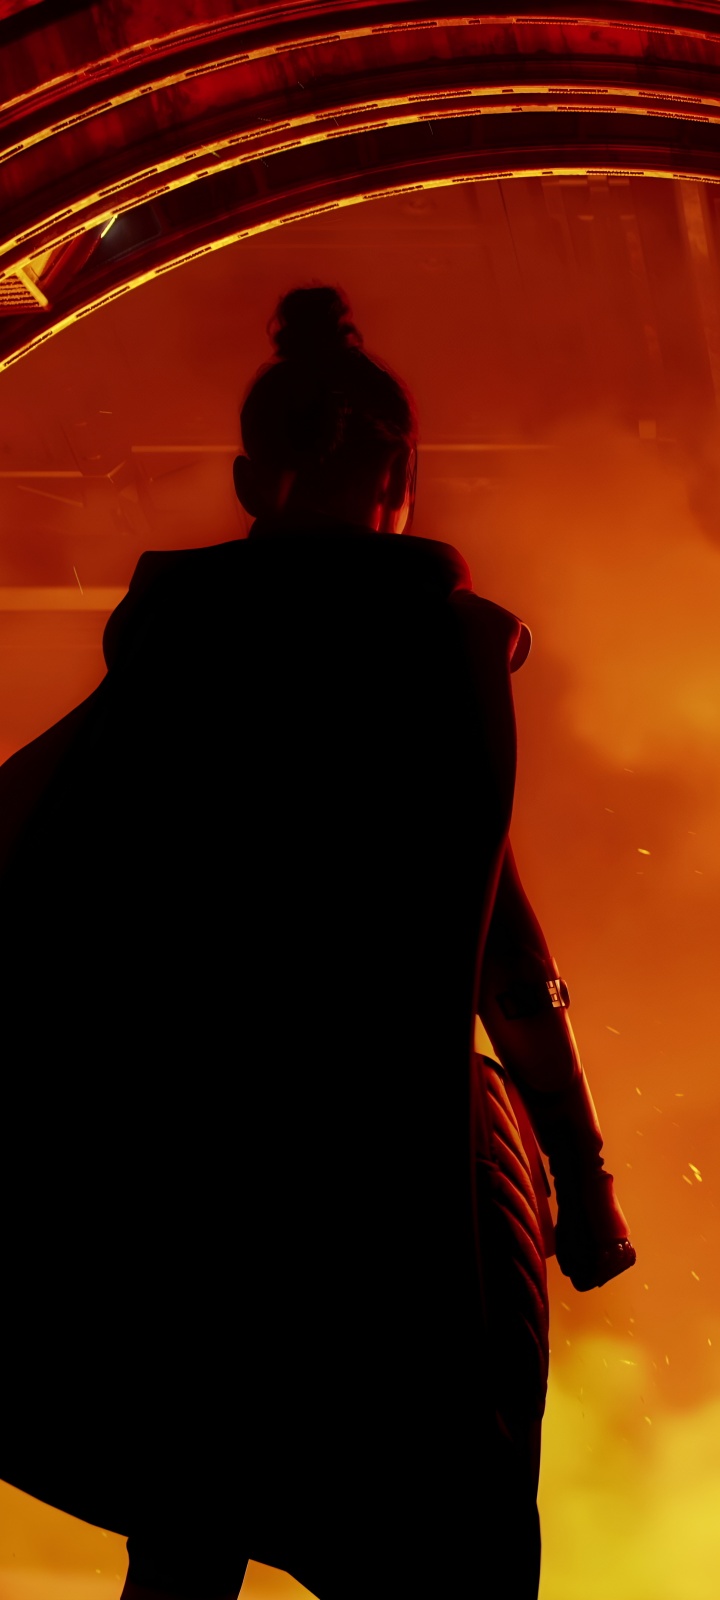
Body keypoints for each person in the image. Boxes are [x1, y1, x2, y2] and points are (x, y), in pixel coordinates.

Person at [0, 284, 635, 1600]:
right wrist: (582, 1179)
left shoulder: (174, 656)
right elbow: (505, 957)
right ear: (402, 481)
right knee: (445, 1530)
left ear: (251, 480)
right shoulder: (436, 653)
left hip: (184, 1171)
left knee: (186, 1526)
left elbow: (39, 863)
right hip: (390, 1190)